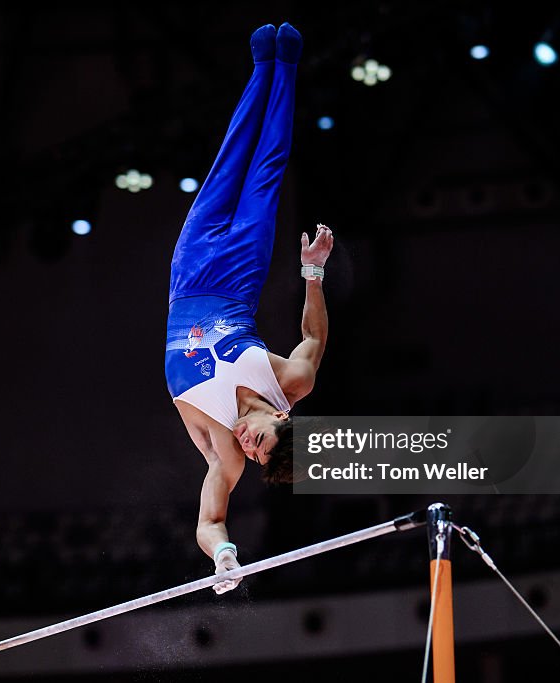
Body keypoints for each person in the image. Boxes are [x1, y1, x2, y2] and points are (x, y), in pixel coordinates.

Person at [163, 22, 334, 594]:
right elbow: (312, 339)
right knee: (263, 173)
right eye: (260, 440)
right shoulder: (290, 382)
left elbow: (209, 520)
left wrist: (224, 555)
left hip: (188, 280)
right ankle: (279, 65)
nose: (245, 442)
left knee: (225, 165)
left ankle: (260, 68)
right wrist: (313, 273)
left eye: (253, 452)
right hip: (239, 278)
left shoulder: (224, 458)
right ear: (280, 417)